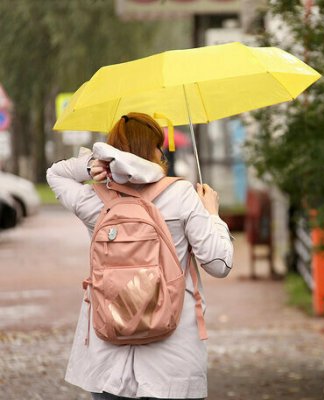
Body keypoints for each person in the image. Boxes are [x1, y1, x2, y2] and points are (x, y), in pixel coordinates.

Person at [46, 112, 234, 400]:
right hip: (172, 360)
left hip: (107, 358)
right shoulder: (182, 195)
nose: (163, 153)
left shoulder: (96, 200)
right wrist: (212, 214)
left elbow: (55, 173)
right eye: (159, 146)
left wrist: (91, 166)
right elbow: (219, 264)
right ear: (152, 150)